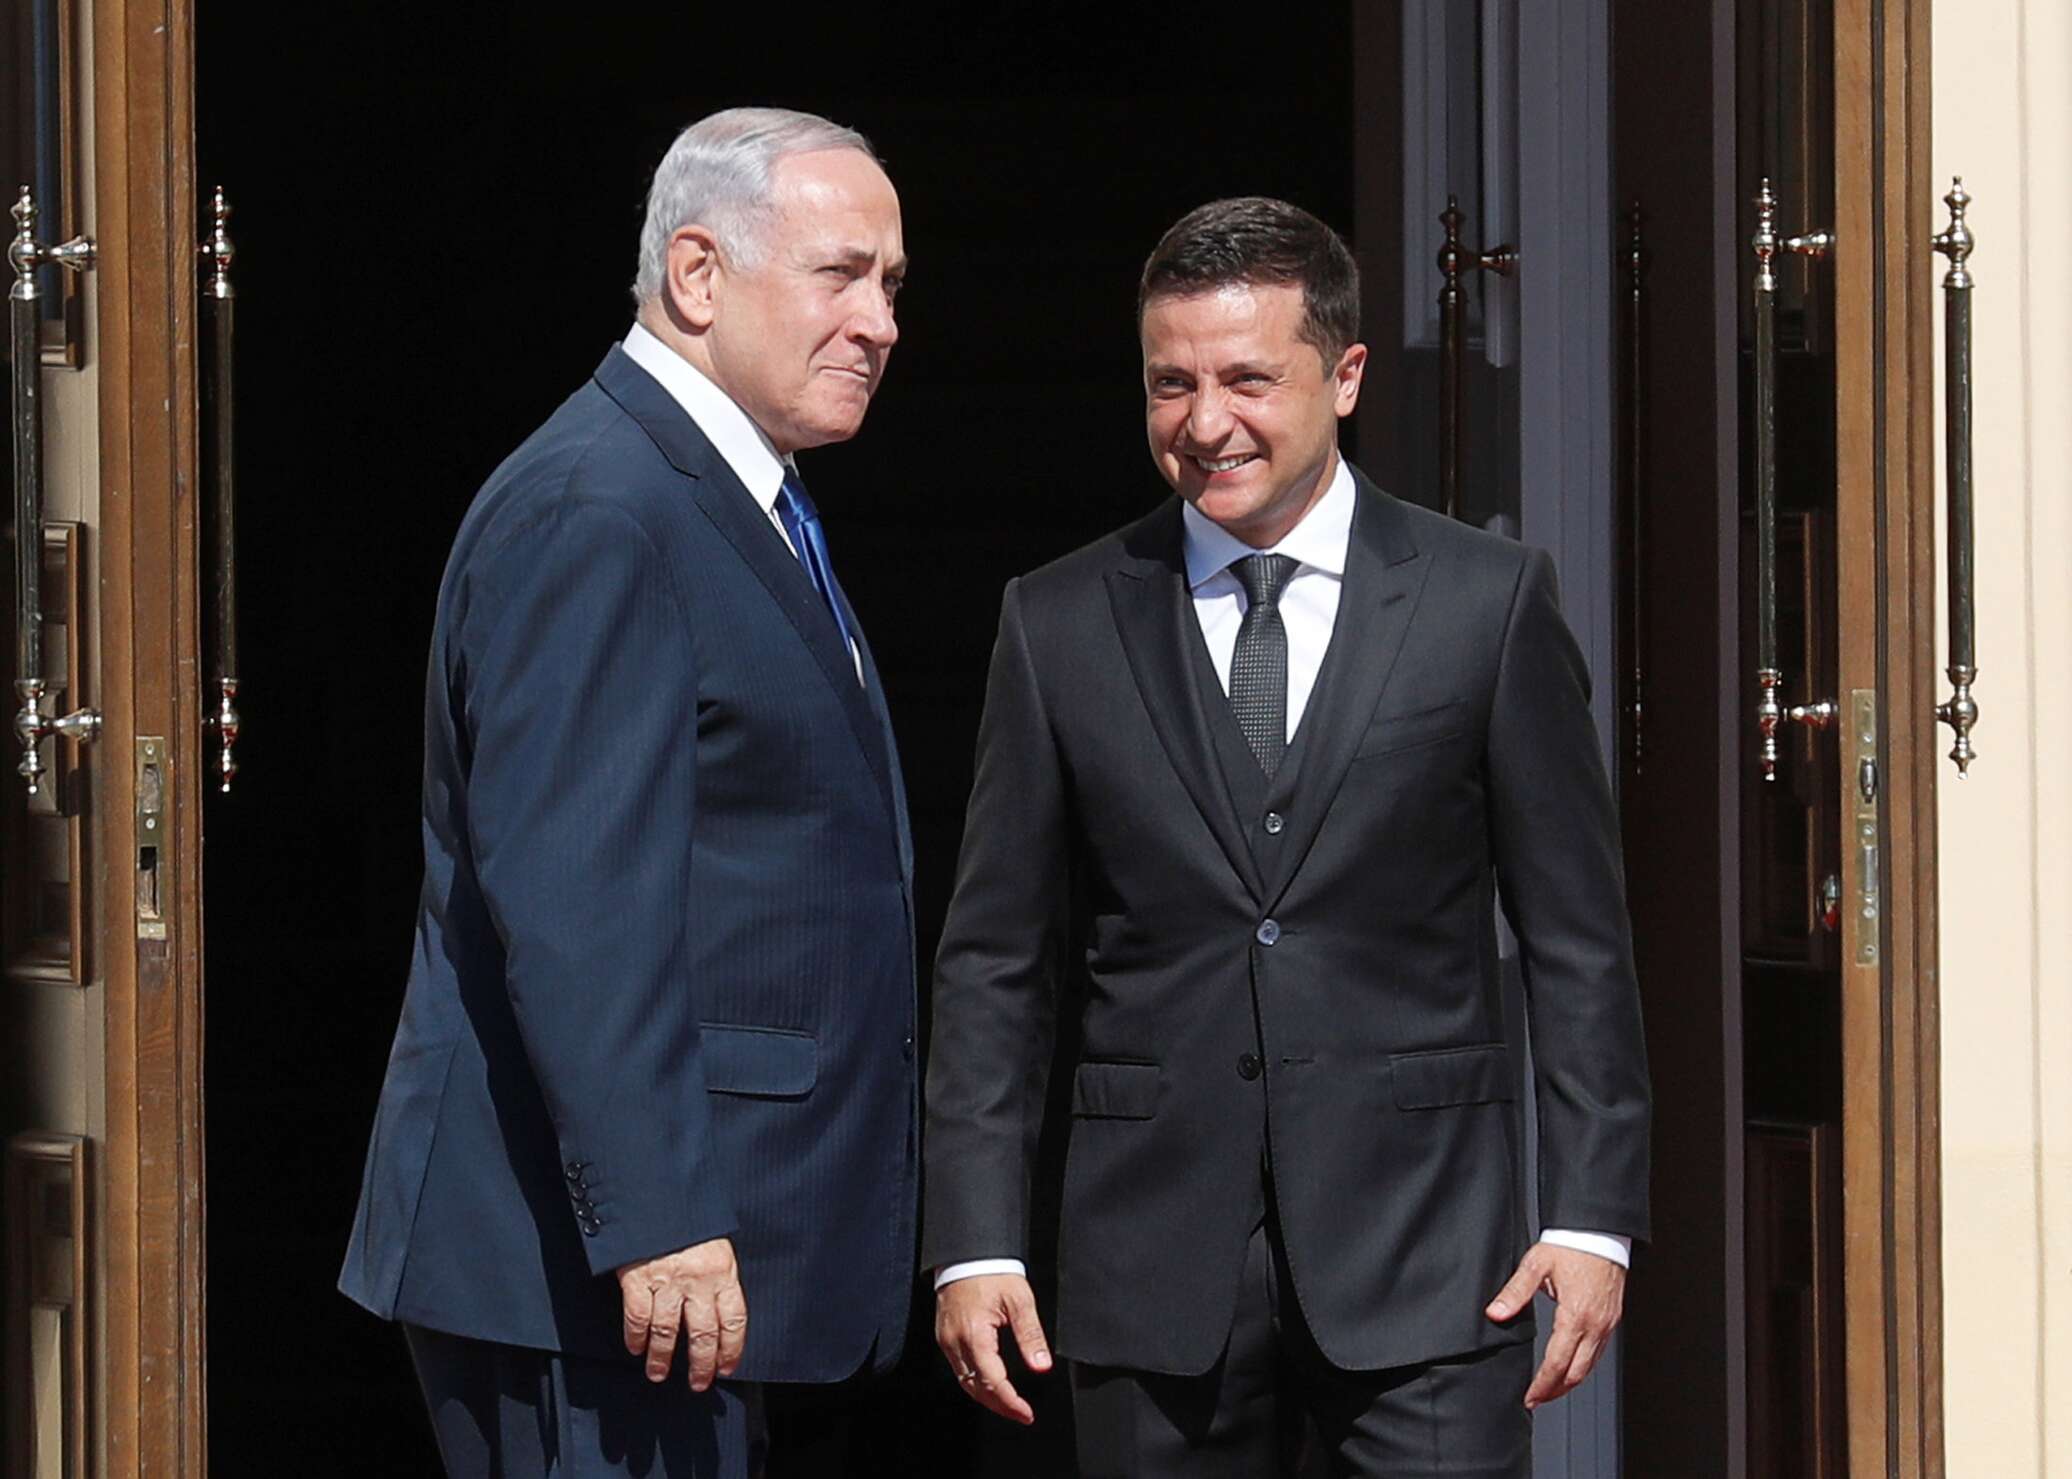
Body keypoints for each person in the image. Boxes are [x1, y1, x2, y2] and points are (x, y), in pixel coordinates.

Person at [923, 196, 1650, 1477]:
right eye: (1170, 385)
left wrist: (1591, 1216)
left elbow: (1576, 938)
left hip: (1427, 1260)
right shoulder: (1057, 621)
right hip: (1152, 1266)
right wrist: (973, 1241)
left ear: (1344, 376)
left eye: (1247, 380)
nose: (1205, 424)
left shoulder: (1484, 605)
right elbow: (995, 958)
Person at [338, 107, 916, 1478]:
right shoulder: (599, 507)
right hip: (586, 1281)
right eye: (840, 274)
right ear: (698, 274)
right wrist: (657, 1213)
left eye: (893, 285)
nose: (880, 323)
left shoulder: (724, 494)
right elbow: (575, 901)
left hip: (674, 1279)